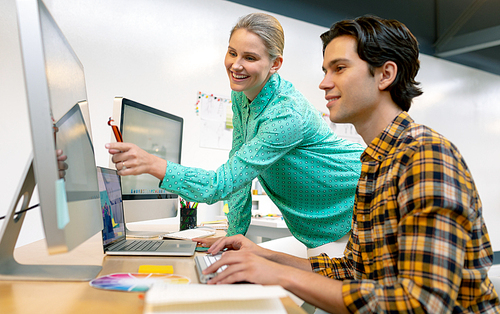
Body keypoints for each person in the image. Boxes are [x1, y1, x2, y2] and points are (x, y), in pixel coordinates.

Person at [202, 15, 500, 314]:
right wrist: (263, 256)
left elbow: (421, 305)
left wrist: (280, 275)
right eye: (325, 70)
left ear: (385, 75)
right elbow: (353, 270)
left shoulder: (425, 156)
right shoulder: (373, 164)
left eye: (339, 69)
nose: (323, 83)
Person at [106, 13, 364, 255]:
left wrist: (153, 164)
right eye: (232, 53)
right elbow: (236, 172)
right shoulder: (242, 96)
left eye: (250, 58)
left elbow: (219, 184)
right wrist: (232, 236)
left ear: (275, 64)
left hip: (351, 201)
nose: (236, 65)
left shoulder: (286, 114)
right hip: (321, 218)